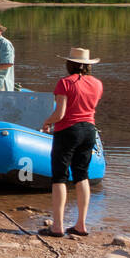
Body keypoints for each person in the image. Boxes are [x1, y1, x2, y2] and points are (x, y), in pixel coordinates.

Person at [39, 47, 103, 239]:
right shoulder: (97, 84)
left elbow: (60, 114)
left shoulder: (64, 83)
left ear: (69, 64)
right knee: (82, 175)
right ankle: (81, 225)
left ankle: (57, 227)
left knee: (59, 176)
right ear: (88, 65)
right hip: (89, 130)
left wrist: (46, 122)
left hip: (68, 131)